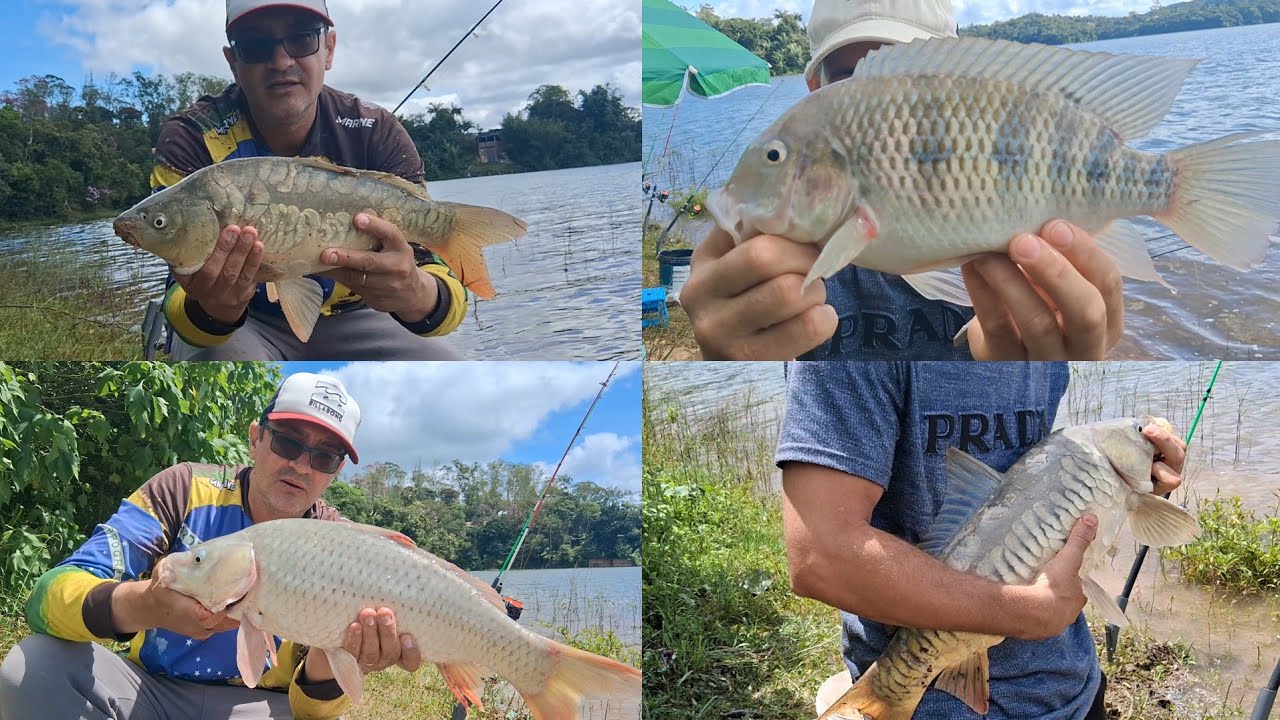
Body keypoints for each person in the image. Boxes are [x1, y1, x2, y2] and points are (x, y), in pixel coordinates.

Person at [680, 0, 1126, 362]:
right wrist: (722, 347)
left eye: (907, 72)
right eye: (852, 78)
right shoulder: (772, 252)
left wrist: (1034, 356)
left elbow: (1000, 337)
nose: (883, 106)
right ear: (818, 87)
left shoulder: (1030, 249)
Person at [776, 362, 1188, 719]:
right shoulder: (850, 323)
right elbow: (820, 558)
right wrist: (1023, 614)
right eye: (1139, 433)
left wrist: (1132, 490)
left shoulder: (1042, 323)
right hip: (931, 704)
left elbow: (1028, 485)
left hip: (1071, 682)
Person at [0, 372, 420, 720]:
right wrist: (144, 605)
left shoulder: (345, 548)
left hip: (262, 708)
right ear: (256, 438)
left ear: (336, 472)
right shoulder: (184, 488)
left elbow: (311, 713)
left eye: (324, 457)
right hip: (149, 691)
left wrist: (343, 654)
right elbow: (46, 598)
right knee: (31, 667)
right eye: (288, 442)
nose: (300, 465)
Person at [155, 0, 468, 360]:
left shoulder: (375, 131)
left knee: (446, 362)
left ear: (329, 49)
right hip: (247, 322)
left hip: (361, 311)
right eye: (257, 45)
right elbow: (176, 299)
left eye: (302, 39)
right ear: (233, 63)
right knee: (213, 359)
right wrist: (215, 308)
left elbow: (446, 296)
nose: (282, 61)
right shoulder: (193, 136)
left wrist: (415, 293)